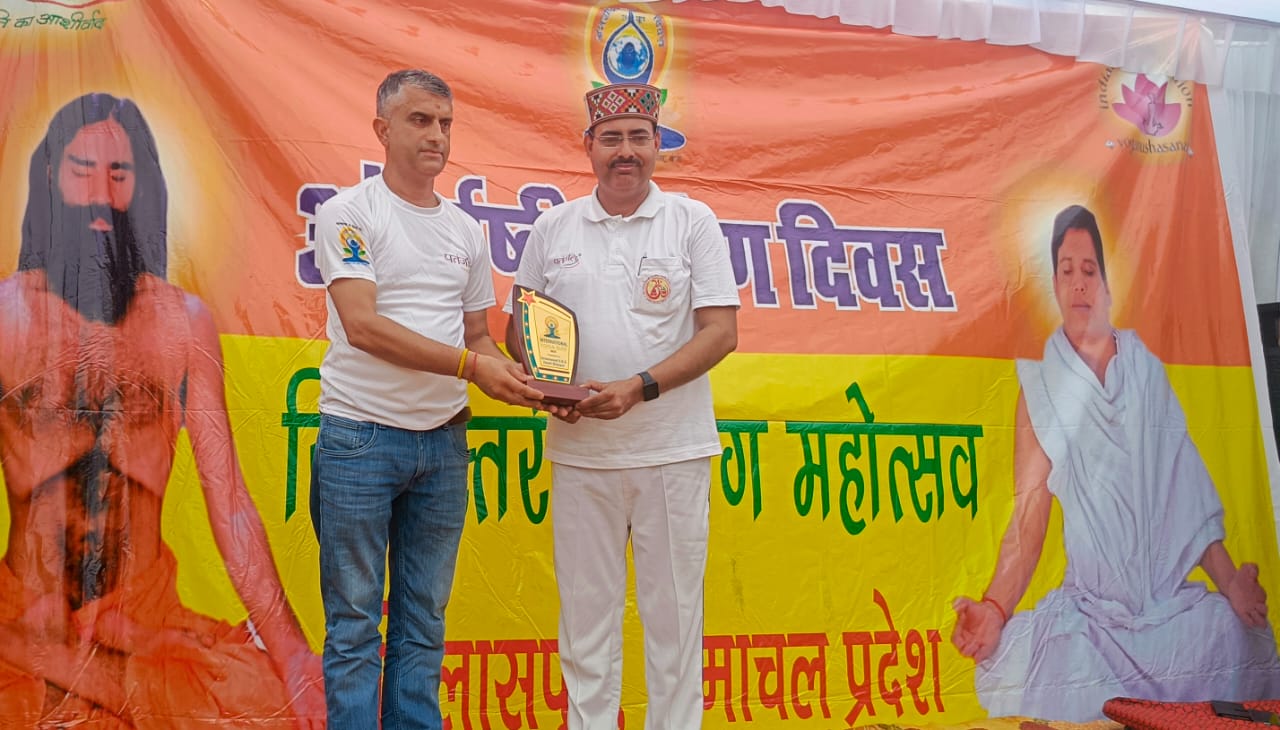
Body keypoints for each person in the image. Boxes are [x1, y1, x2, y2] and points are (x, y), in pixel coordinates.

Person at [0, 93, 323, 726]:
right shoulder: (7, 316)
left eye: (119, 174)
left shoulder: (181, 323)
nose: (101, 194)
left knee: (280, 707)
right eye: (82, 170)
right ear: (51, 176)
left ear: (142, 186)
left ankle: (91, 667)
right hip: (22, 619)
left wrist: (292, 653)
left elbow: (230, 503)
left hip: (144, 626)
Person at [951, 205, 1280, 721]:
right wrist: (994, 609)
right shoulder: (1040, 387)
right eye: (1066, 270)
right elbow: (1029, 516)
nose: (1079, 283)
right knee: (1045, 662)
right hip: (1094, 623)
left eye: (1089, 269)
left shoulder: (1144, 370)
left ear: (1105, 281)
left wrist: (1231, 584)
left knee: (1232, 635)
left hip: (1167, 614)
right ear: (1054, 284)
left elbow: (1183, 494)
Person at [310, 69, 543, 729]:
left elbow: (478, 336)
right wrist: (474, 366)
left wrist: (530, 383)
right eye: (420, 120)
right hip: (360, 439)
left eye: (445, 123)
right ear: (382, 130)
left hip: (442, 443)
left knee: (423, 621)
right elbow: (364, 326)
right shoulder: (349, 213)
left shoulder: (466, 230)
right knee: (354, 623)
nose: (436, 135)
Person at [505, 82, 740, 729]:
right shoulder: (553, 228)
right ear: (589, 146)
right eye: (611, 138)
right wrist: (547, 385)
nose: (625, 151)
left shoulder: (692, 222)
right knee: (585, 631)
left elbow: (721, 332)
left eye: (639, 137)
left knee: (675, 628)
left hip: (672, 455)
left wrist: (639, 386)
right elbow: (520, 329)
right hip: (582, 459)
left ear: (658, 144)